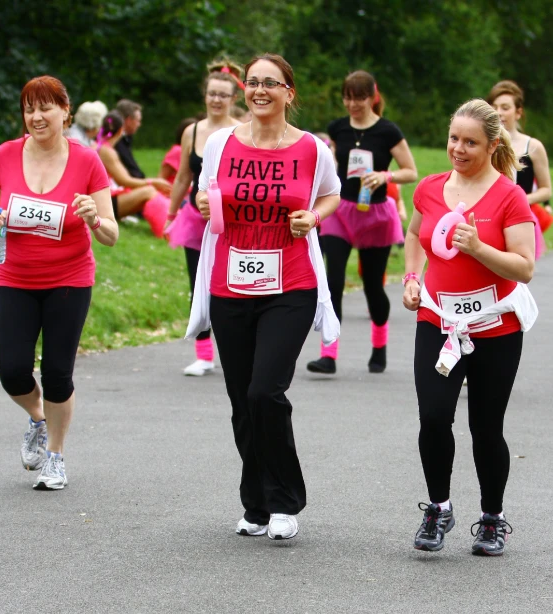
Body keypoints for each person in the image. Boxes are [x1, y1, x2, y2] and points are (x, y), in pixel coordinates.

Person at [187, 53, 341, 541]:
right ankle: (254, 504)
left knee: (264, 391)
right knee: (240, 399)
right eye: (252, 82)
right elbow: (202, 195)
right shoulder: (219, 143)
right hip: (230, 283)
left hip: (290, 283)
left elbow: (332, 194)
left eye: (270, 83)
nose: (259, 90)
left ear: (288, 93)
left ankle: (284, 500)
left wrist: (313, 218)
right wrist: (200, 202)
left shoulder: (313, 149)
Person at [402, 99, 537, 556]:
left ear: (492, 144)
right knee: (434, 417)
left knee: (486, 426)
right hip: (438, 320)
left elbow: (524, 267)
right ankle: (438, 508)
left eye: (470, 142)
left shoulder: (509, 196)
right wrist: (411, 279)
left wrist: (478, 247)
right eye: (453, 138)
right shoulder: (429, 188)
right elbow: (415, 238)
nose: (458, 148)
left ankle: (492, 518)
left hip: (495, 326)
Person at [0, 76, 119, 490]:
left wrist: (94, 216)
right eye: (28, 109)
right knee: (12, 371)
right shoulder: (4, 155)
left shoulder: (87, 161)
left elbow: (111, 234)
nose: (36, 117)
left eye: (45, 108)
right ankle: (38, 419)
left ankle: (55, 457)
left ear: (65, 111)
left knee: (58, 372)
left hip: (69, 279)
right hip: (15, 276)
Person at [306, 70, 417, 375]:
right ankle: (328, 354)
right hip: (340, 211)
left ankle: (379, 346)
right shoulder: (337, 128)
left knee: (372, 286)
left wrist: (385, 175)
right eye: (348, 97)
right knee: (334, 280)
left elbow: (411, 170)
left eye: (360, 97)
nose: (353, 104)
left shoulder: (388, 131)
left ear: (372, 97)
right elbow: (330, 166)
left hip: (376, 214)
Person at [164, 59, 243, 376]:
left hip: (232, 222)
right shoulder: (192, 132)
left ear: (233, 99)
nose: (216, 100)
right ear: (204, 95)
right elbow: (183, 177)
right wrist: (171, 213)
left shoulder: (240, 131)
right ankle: (204, 354)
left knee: (230, 287)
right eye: (212, 94)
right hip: (196, 219)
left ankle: (234, 351)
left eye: (223, 95)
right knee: (198, 283)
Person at [487, 80, 553, 259]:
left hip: (519, 219)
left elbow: (546, 190)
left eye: (505, 107)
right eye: (494, 107)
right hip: (489, 218)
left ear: (518, 112)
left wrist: (522, 199)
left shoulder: (533, 147)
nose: (499, 112)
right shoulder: (484, 144)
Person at [96, 111, 171, 225]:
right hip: (104, 204)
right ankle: (166, 228)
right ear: (121, 130)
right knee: (149, 191)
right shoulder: (106, 151)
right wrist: (153, 182)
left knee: (148, 190)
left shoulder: (99, 146)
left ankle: (169, 225)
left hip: (99, 200)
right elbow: (125, 181)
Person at [114, 99, 146, 179]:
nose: (139, 125)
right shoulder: (117, 142)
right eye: (138, 121)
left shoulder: (126, 139)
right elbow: (131, 171)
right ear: (128, 120)